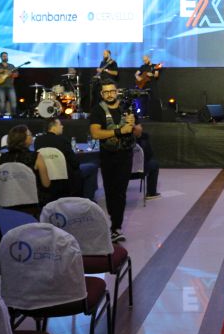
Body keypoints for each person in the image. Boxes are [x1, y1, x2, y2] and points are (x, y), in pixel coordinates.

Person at [89, 82, 135, 242]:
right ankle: (114, 222)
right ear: (102, 94)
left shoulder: (126, 108)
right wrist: (120, 131)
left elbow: (138, 131)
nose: (109, 94)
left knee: (120, 191)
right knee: (110, 191)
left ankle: (116, 227)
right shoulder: (98, 110)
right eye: (106, 92)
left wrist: (133, 125)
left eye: (112, 91)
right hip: (107, 155)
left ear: (117, 92)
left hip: (125, 155)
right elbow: (95, 133)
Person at [35, 117, 99, 200]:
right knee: (92, 167)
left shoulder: (38, 141)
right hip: (67, 177)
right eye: (60, 125)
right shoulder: (62, 140)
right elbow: (75, 163)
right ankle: (87, 200)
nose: (62, 126)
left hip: (46, 175)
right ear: (53, 128)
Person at [0, 124, 51, 191]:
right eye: (29, 134)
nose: (32, 136)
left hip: (9, 195)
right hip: (32, 195)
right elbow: (46, 184)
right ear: (22, 138)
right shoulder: (36, 156)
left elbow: (0, 181)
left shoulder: (3, 157)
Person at [132, 117, 160, 200]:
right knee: (154, 164)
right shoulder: (144, 138)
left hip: (122, 171)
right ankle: (151, 193)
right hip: (139, 171)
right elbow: (149, 156)